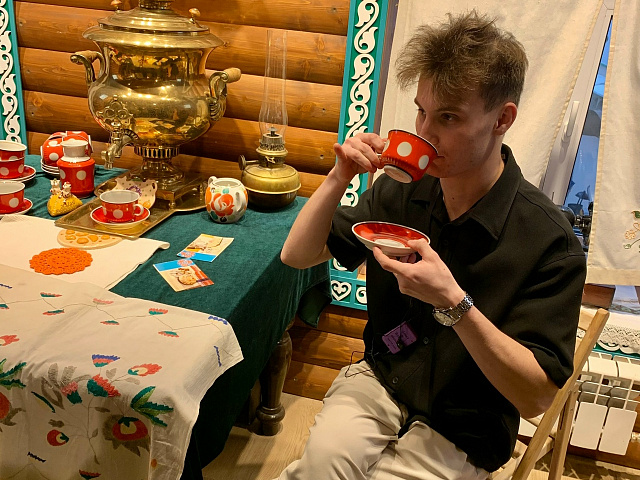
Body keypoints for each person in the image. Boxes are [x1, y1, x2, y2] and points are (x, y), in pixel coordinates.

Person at [278, 10, 586, 480]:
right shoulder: (400, 192)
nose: (424, 133)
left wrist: (453, 303)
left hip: (469, 419)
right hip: (383, 378)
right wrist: (339, 176)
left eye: (448, 117)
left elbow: (536, 397)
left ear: (502, 119)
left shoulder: (548, 241)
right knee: (321, 467)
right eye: (421, 110)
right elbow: (297, 255)